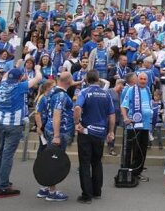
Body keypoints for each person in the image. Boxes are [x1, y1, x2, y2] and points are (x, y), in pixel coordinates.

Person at [0, 67, 42, 197]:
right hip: (13, 125)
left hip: (1, 123)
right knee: (7, 156)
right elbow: (39, 78)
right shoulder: (20, 86)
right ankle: (3, 187)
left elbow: (6, 76)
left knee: (1, 154)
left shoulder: (1, 84)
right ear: (20, 78)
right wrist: (37, 69)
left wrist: (17, 65)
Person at [73, 70, 116, 204]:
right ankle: (97, 191)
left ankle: (87, 195)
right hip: (100, 132)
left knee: (85, 163)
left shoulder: (84, 92)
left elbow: (77, 108)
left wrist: (77, 123)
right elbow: (112, 115)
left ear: (86, 79)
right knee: (97, 162)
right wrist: (111, 132)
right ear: (98, 79)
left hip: (86, 132)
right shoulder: (106, 94)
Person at [37, 72, 74, 201]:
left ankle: (46, 187)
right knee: (54, 160)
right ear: (68, 80)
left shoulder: (52, 92)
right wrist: (57, 135)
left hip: (49, 128)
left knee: (49, 158)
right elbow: (57, 114)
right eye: (71, 78)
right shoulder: (61, 95)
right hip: (59, 131)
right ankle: (52, 191)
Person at [120, 72, 153, 183]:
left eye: (145, 79)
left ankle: (137, 173)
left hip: (146, 125)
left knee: (142, 150)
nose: (143, 81)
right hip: (133, 125)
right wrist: (125, 118)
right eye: (141, 79)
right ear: (137, 79)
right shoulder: (131, 90)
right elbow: (124, 106)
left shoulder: (148, 90)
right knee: (131, 150)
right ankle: (128, 173)